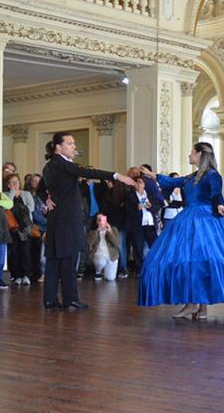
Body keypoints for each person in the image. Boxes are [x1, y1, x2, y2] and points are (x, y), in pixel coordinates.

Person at [138, 142, 224, 321]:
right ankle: (198, 305)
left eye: (192, 151)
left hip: (204, 219)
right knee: (194, 259)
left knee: (202, 259)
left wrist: (221, 207)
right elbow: (173, 181)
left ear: (200, 154)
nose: (189, 154)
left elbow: (216, 194)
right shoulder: (193, 176)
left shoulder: (212, 175)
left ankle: (196, 304)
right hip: (190, 218)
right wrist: (151, 175)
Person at [42, 132, 135, 311]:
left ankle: (50, 300)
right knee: (69, 260)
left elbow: (42, 188)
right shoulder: (63, 164)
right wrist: (116, 176)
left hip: (56, 219)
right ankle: (70, 300)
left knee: (53, 260)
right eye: (70, 144)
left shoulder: (49, 166)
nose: (74, 147)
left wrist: (48, 197)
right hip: (67, 219)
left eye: (74, 144)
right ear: (58, 147)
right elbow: (88, 172)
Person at [124, 177, 161, 274]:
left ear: (144, 184)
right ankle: (140, 270)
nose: (138, 184)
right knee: (138, 248)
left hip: (150, 225)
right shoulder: (130, 195)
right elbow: (127, 210)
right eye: (136, 182)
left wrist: (150, 207)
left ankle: (155, 266)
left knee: (155, 245)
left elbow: (157, 208)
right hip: (137, 226)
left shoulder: (150, 195)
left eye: (140, 182)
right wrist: (136, 208)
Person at [4, 173, 35, 285]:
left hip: (25, 227)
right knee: (14, 251)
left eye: (17, 181)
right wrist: (12, 193)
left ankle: (26, 275)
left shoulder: (26, 194)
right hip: (12, 226)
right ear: (8, 185)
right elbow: (8, 206)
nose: (15, 184)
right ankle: (17, 275)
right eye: (12, 182)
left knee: (25, 251)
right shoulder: (5, 194)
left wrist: (19, 209)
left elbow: (31, 207)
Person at [86, 213, 120, 281]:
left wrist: (110, 232)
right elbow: (89, 242)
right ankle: (98, 271)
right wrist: (97, 230)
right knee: (101, 262)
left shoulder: (113, 229)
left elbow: (116, 243)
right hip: (99, 256)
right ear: (96, 221)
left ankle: (105, 271)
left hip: (111, 257)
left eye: (103, 219)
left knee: (110, 278)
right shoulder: (93, 231)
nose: (101, 222)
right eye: (99, 220)